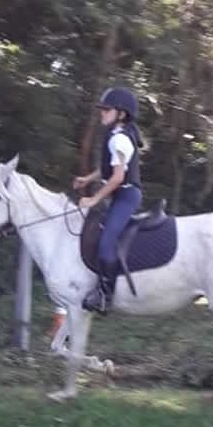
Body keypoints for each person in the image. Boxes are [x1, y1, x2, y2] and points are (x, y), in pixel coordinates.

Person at [73, 87, 143, 314]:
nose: (102, 113)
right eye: (102, 109)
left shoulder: (120, 140)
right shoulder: (116, 136)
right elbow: (106, 170)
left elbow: (118, 177)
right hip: (121, 194)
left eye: (107, 109)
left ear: (121, 114)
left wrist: (93, 199)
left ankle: (105, 294)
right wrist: (87, 179)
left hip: (127, 195)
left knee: (106, 240)